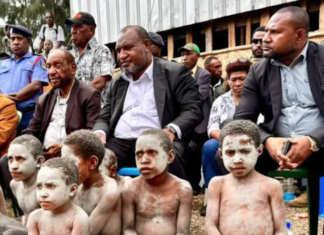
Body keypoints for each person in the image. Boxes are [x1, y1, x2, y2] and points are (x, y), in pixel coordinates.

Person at [234, 6, 324, 219]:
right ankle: (252, 223)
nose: (265, 39)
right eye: (266, 32)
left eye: (274, 32)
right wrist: (266, 141)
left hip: (322, 144)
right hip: (277, 147)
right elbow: (241, 120)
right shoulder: (258, 70)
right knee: (233, 153)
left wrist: (313, 140)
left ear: (299, 35)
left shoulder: (322, 58)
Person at [93, 25, 202, 180]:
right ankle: (106, 203)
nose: (121, 56)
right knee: (94, 159)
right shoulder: (118, 83)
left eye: (127, 48)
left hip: (158, 137)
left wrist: (170, 130)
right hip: (120, 142)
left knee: (165, 156)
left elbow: (193, 109)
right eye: (118, 51)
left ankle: (172, 202)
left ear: (146, 46)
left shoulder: (175, 73)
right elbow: (104, 116)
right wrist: (99, 133)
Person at [205, 120, 286, 235]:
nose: (237, 159)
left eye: (245, 151)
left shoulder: (271, 186)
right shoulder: (218, 184)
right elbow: (210, 225)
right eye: (230, 152)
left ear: (259, 150)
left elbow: (281, 230)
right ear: (221, 154)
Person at [23, 49, 101, 160]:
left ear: (73, 68)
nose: (51, 72)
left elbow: (92, 135)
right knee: (6, 161)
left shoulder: (89, 95)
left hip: (74, 156)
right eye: (48, 66)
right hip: (44, 155)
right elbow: (31, 131)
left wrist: (66, 147)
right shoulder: (43, 99)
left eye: (57, 66)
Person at [200, 58, 252, 216]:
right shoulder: (220, 101)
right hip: (224, 139)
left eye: (242, 79)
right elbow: (212, 127)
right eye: (233, 79)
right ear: (228, 81)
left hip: (251, 141)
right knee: (209, 147)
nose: (237, 83)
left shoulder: (257, 98)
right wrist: (226, 139)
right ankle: (211, 198)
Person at [122, 130, 192, 235]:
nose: (144, 160)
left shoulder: (182, 189)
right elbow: (128, 229)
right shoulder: (131, 188)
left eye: (152, 152)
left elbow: (182, 232)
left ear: (170, 156)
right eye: (139, 154)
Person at [62, 130, 121, 235]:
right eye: (64, 162)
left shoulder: (108, 191)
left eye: (71, 162)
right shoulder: (75, 185)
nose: (66, 168)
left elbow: (88, 232)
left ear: (92, 162)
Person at [0, 25, 48, 134]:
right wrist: (4, 101)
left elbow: (36, 85)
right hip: (4, 116)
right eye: (13, 39)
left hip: (29, 116)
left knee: (27, 148)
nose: (15, 42)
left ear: (29, 41)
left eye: (19, 38)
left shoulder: (37, 60)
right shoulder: (2, 62)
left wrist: (13, 98)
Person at [27, 158, 90, 235]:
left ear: (72, 190)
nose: (42, 194)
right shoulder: (35, 217)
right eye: (39, 186)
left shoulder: (78, 218)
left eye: (51, 186)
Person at [179, 42, 211, 193]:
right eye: (183, 54)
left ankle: (199, 185)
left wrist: (182, 98)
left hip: (199, 123)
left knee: (198, 153)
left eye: (189, 54)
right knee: (186, 153)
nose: (184, 58)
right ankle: (189, 185)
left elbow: (201, 95)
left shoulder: (203, 74)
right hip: (184, 122)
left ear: (197, 56)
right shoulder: (178, 74)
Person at [65, 12, 114, 93]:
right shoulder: (68, 53)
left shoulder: (101, 51)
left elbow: (100, 83)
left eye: (78, 27)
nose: (73, 31)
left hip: (95, 104)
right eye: (72, 27)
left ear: (91, 30)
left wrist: (75, 98)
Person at [7, 135, 45, 225]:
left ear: (39, 161)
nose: (13, 166)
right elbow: (26, 215)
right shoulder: (14, 184)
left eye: (20, 159)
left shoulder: (45, 188)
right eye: (10, 159)